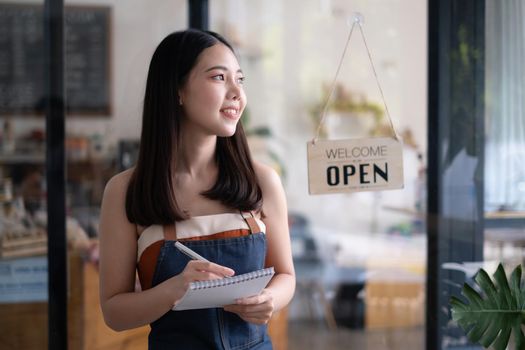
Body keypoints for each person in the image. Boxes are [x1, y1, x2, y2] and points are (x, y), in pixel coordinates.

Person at [98, 29, 295, 349]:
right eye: (219, 77)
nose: (236, 92)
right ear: (177, 90)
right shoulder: (124, 192)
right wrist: (175, 289)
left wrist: (269, 299)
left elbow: (286, 276)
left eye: (240, 80)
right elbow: (114, 313)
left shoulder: (263, 181)